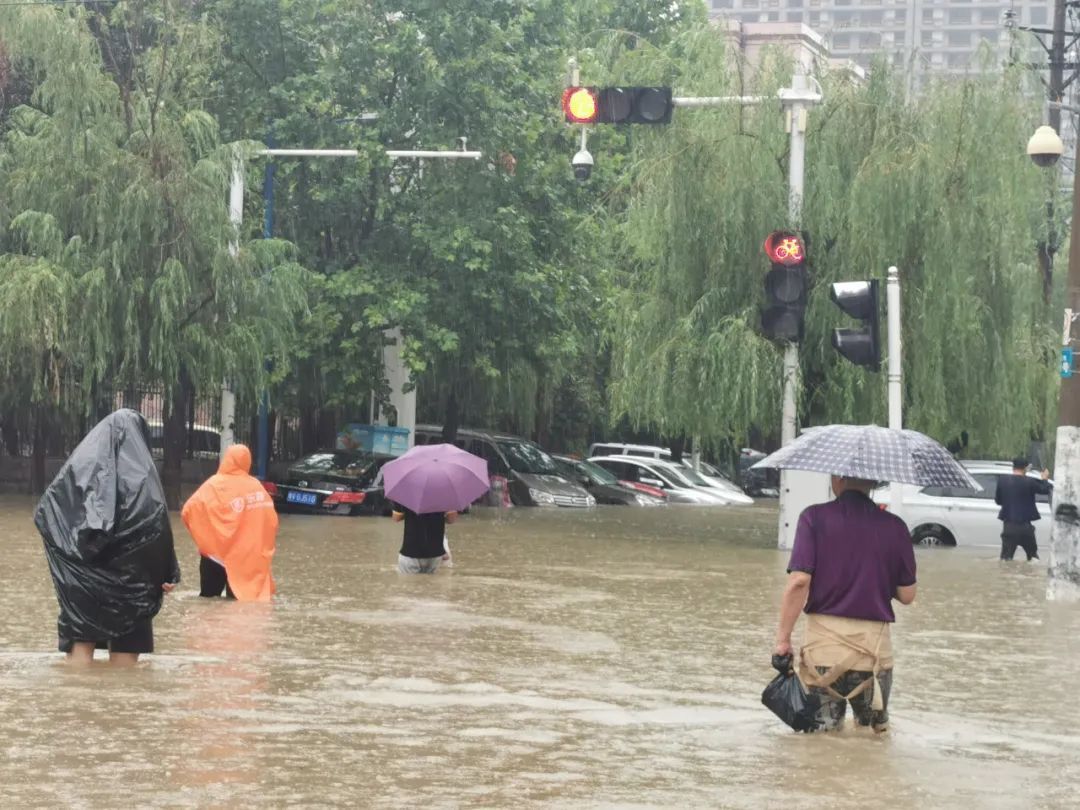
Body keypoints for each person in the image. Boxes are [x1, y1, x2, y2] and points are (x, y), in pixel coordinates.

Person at [34, 409, 180, 667]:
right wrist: (168, 574)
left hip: (83, 586)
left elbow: (48, 515)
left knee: (81, 643)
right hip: (130, 587)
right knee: (126, 659)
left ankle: (75, 699)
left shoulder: (76, 474)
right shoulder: (146, 483)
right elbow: (156, 530)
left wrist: (76, 565)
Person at [773, 475, 917, 733]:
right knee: (873, 739)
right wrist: (878, 576)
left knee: (819, 741)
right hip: (873, 656)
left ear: (837, 478)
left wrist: (783, 641)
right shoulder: (895, 527)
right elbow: (907, 595)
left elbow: (798, 581)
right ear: (873, 482)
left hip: (822, 652)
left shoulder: (813, 518)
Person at [182, 444, 278, 601]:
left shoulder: (213, 485)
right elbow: (271, 522)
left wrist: (208, 539)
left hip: (215, 557)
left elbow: (189, 511)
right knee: (240, 603)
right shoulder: (257, 488)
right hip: (246, 559)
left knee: (208, 603)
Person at [994, 457, 1051, 562]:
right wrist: (1045, 478)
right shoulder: (1030, 482)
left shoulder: (1002, 480)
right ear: (1025, 468)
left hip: (1009, 527)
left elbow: (998, 501)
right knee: (1033, 558)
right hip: (1026, 527)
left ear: (1013, 467)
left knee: (1005, 560)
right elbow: (1045, 490)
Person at [391, 503, 458, 574]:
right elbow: (451, 519)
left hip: (411, 551)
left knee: (408, 583)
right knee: (429, 583)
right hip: (434, 552)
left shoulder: (406, 494)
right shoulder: (445, 494)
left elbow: (396, 518)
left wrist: (409, 513)